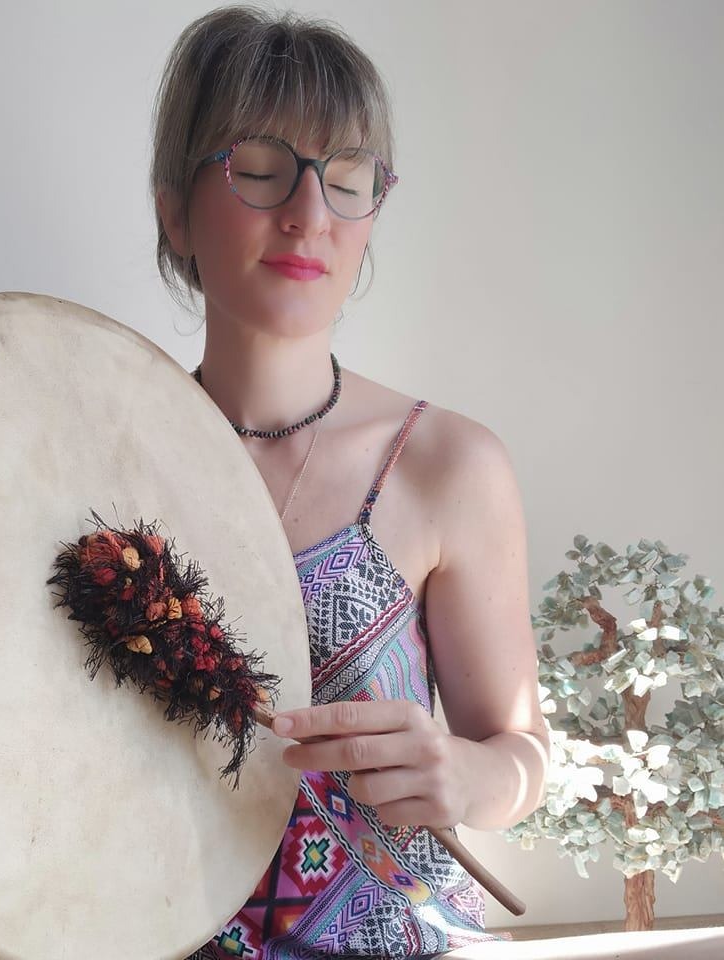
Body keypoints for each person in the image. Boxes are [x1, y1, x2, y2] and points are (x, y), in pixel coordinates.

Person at [151, 6, 550, 957]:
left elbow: (523, 755)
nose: (308, 212)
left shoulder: (447, 464)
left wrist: (460, 773)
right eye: (257, 164)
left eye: (347, 176)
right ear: (173, 205)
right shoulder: (94, 455)